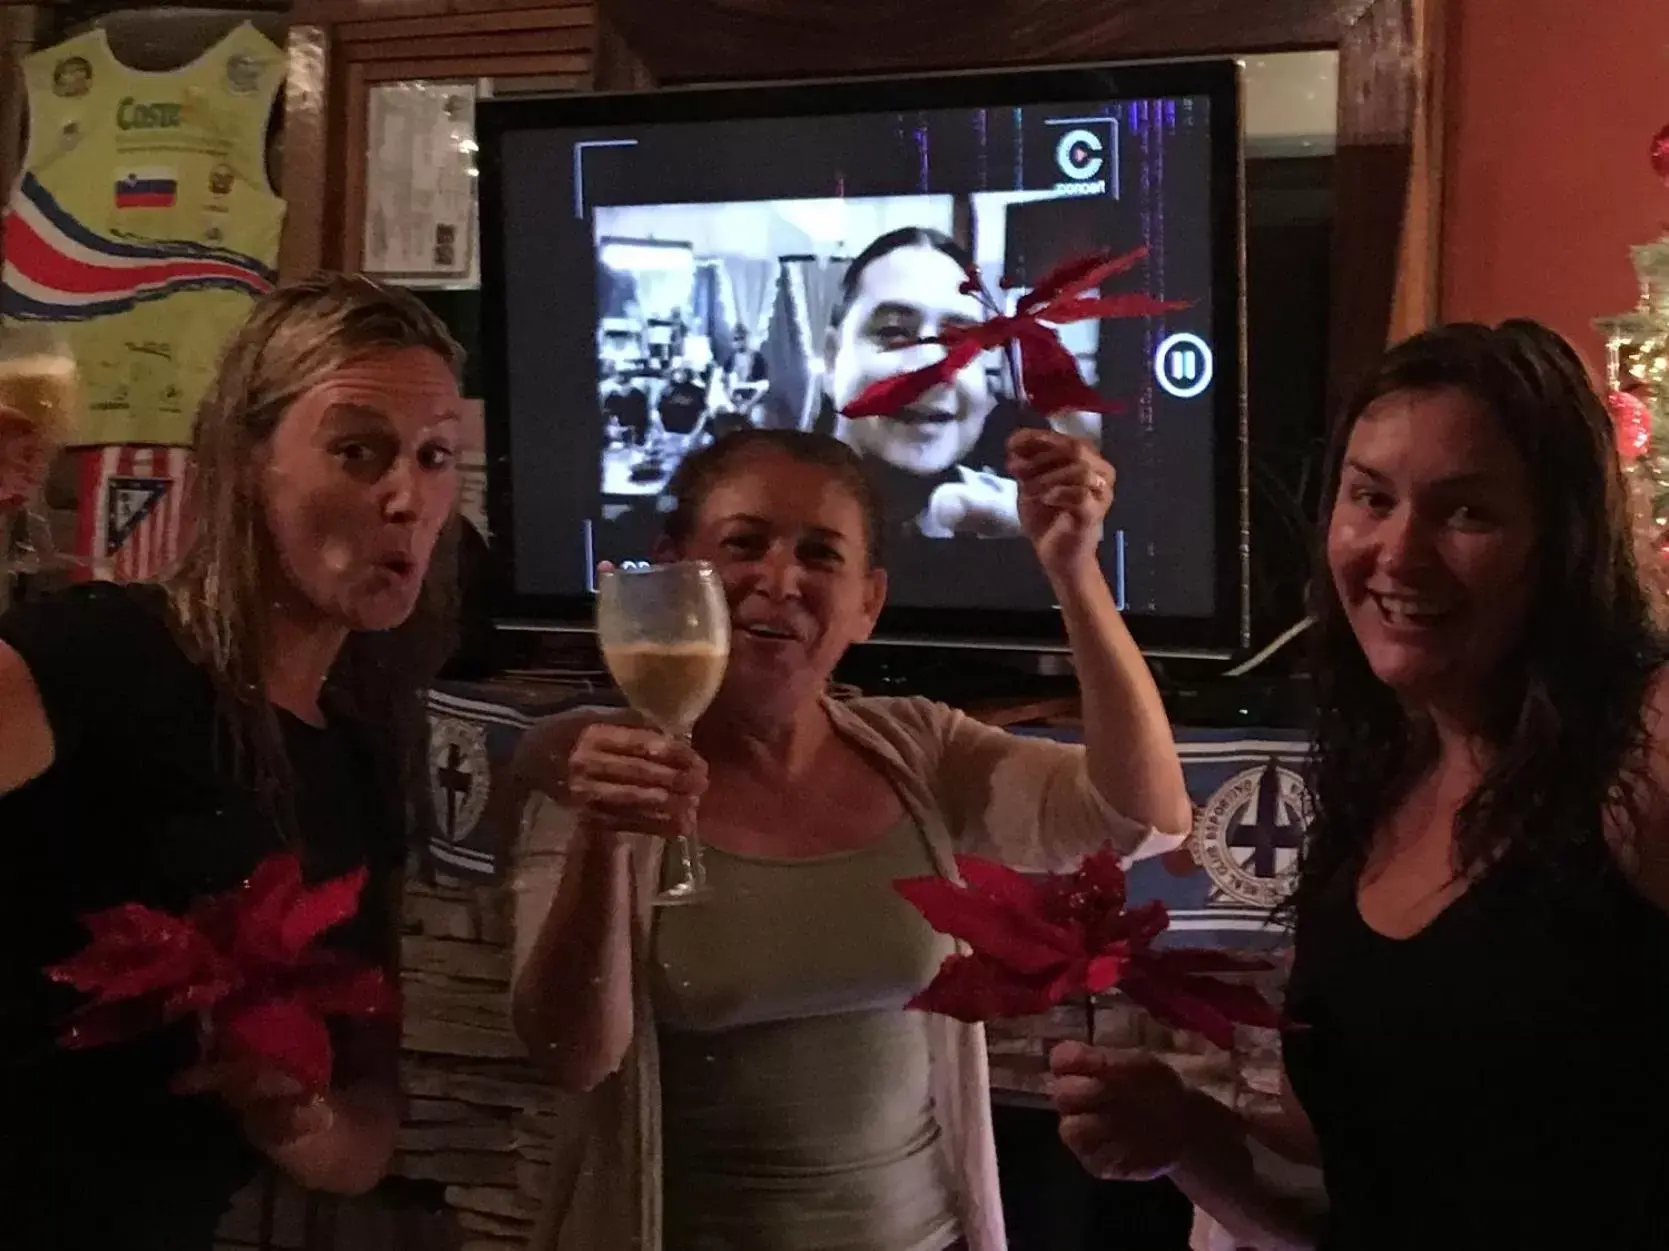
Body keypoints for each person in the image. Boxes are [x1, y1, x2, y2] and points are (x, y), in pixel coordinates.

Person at [1048, 321, 1669, 1249]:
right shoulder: (1373, 780)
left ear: (1562, 538)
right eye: (1369, 497)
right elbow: (1343, 1195)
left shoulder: (1642, 740)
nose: (1397, 552)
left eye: (1466, 512)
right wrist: (1183, 1136)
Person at [509, 425, 1192, 1251]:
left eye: (820, 555)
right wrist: (602, 840)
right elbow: (569, 1058)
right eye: (744, 543)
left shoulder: (918, 748)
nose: (779, 579)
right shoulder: (600, 772)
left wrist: (1073, 571)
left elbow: (1143, 815)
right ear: (671, 575)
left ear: (867, 603)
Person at [0, 272, 466, 1249]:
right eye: (358, 451)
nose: (404, 498)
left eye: (435, 458)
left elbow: (370, 1124)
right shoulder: (105, 657)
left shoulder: (358, 751)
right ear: (247, 462)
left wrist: (302, 1120)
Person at [821, 226, 1029, 538]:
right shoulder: (754, 515)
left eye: (961, 340)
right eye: (893, 332)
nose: (935, 367)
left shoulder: (1026, 521)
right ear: (831, 359)